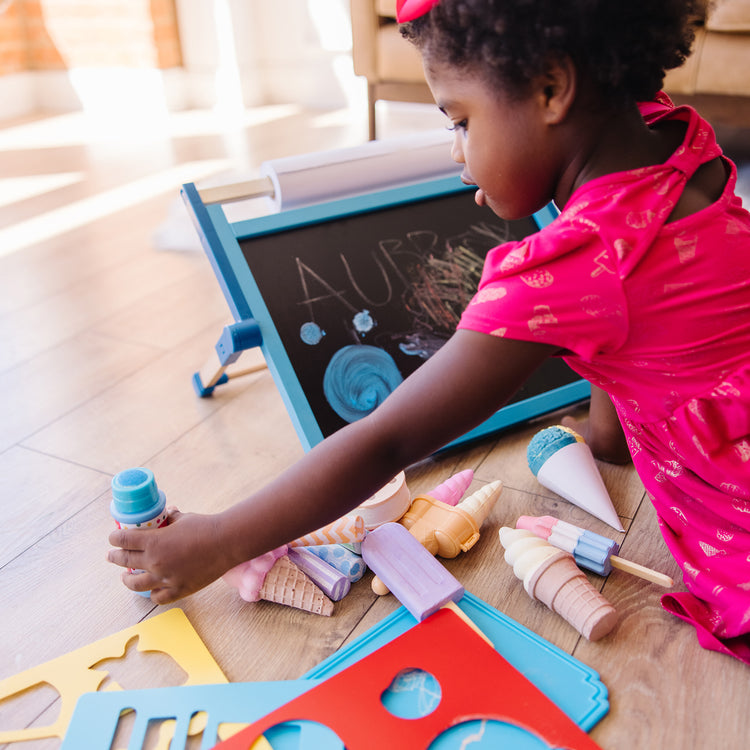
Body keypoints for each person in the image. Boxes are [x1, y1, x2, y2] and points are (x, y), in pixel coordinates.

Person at [108, 0, 750, 663]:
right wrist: (610, 439)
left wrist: (220, 540)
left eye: (462, 121)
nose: (458, 157)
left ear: (552, 88)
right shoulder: (677, 140)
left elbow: (387, 442)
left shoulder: (574, 267)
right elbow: (643, 329)